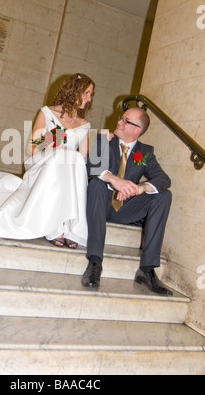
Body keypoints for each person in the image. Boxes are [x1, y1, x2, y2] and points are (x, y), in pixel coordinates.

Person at [0, 73, 95, 249]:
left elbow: (82, 158)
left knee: (72, 158)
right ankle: (55, 227)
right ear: (75, 90)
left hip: (68, 168)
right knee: (63, 157)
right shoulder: (47, 113)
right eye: (86, 93)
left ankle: (71, 227)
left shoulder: (84, 124)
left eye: (90, 94)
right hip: (44, 162)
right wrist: (50, 141)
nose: (89, 99)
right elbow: (32, 149)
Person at [82, 107, 173, 295]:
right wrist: (116, 180)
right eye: (120, 118)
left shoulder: (144, 152)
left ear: (137, 130)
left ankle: (147, 269)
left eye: (125, 120)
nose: (119, 122)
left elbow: (163, 179)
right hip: (99, 204)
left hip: (125, 209)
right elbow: (91, 167)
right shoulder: (103, 139)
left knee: (164, 195)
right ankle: (95, 262)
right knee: (97, 184)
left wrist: (139, 189)